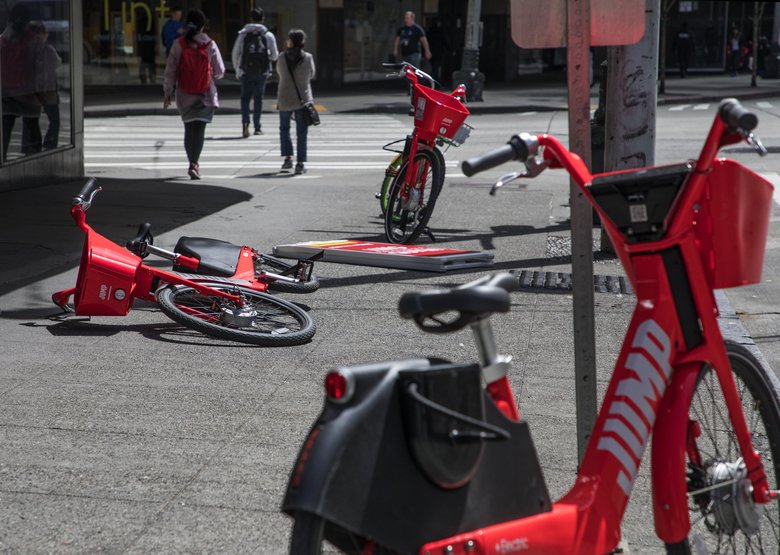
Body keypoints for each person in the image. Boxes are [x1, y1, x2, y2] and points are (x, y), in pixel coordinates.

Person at [163, 9, 225, 180]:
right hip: (205, 94)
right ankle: (194, 164)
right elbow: (220, 72)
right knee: (199, 130)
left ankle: (191, 161)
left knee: (189, 129)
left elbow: (170, 71)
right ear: (203, 25)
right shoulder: (210, 44)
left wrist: (168, 92)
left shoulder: (179, 44)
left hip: (184, 93)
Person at [0, 3, 45, 162]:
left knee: (5, 129)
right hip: (27, 91)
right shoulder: (34, 40)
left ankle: (2, 159)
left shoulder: (3, 39)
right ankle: (35, 161)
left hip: (6, 92)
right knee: (32, 127)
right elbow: (39, 68)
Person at [231, 7, 278, 138]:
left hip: (246, 71)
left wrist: (237, 70)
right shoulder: (268, 35)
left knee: (245, 99)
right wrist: (266, 55)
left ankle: (245, 123)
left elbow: (236, 53)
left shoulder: (243, 34)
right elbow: (275, 56)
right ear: (263, 19)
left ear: (251, 19)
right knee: (258, 99)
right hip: (262, 72)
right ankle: (257, 127)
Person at [276, 29, 315, 175]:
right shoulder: (308, 58)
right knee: (302, 132)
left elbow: (279, 73)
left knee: (284, 129)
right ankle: (300, 164)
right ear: (303, 42)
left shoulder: (281, 57)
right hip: (302, 100)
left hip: (285, 98)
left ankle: (287, 159)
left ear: (291, 42)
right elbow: (312, 74)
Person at [33, 23, 62, 150]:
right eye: (44, 34)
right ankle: (49, 144)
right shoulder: (48, 50)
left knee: (31, 121)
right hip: (47, 90)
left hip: (35, 90)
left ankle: (33, 146)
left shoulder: (30, 50)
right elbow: (57, 63)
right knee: (54, 121)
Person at [426, 17, 453, 85]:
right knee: (436, 69)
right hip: (439, 53)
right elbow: (445, 42)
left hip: (431, 52)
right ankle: (432, 83)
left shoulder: (429, 31)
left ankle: (434, 82)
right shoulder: (440, 31)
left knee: (434, 68)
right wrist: (451, 50)